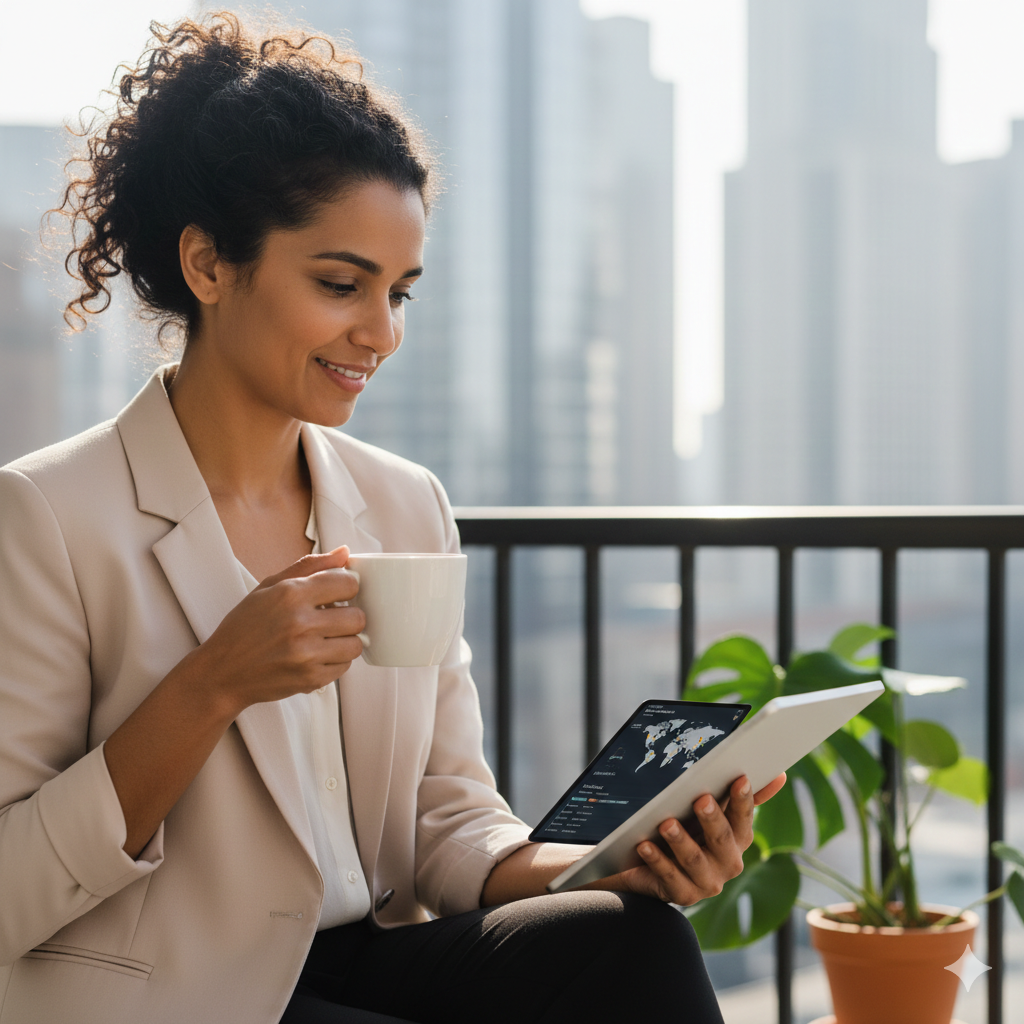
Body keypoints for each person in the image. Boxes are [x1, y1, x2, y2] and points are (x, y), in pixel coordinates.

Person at [0, 12, 785, 1024]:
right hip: (174, 993)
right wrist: (211, 683)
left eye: (401, 293)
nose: (379, 333)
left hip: (363, 959)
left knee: (626, 938)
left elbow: (449, 820)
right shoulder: (48, 516)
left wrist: (606, 864)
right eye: (340, 284)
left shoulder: (404, 501)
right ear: (208, 266)